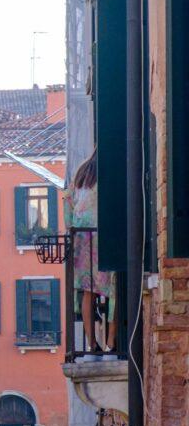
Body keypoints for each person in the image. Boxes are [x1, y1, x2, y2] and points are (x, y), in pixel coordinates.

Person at [63, 151, 117, 357]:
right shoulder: (110, 172)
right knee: (113, 289)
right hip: (104, 237)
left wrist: (71, 228)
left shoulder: (81, 171)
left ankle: (91, 343)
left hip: (81, 240)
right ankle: (111, 343)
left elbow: (67, 199)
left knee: (88, 292)